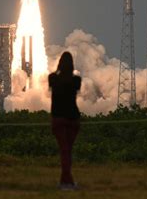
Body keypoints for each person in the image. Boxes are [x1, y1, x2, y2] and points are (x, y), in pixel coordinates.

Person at [48, 51, 81, 190]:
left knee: (64, 151)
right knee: (68, 151)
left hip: (58, 119)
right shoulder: (76, 80)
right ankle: (67, 182)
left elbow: (52, 89)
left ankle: (66, 183)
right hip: (73, 119)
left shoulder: (53, 78)